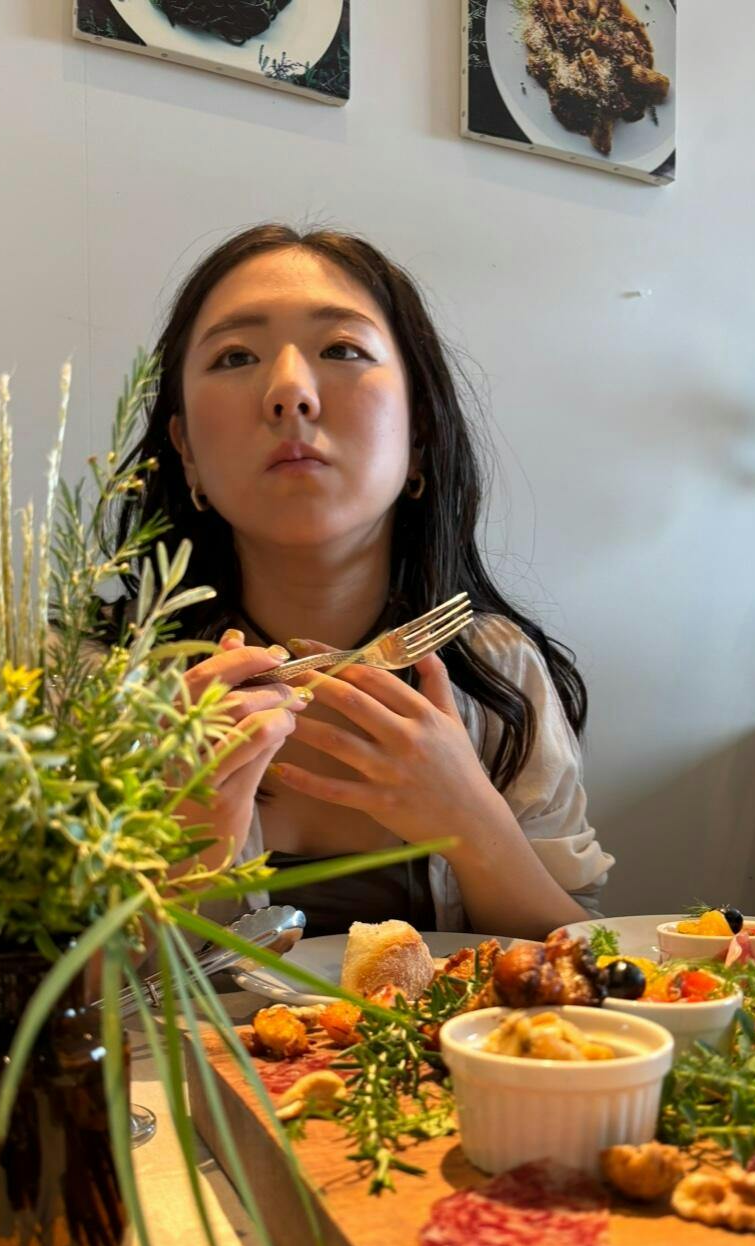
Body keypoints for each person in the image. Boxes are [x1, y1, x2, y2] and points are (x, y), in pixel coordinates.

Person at [114, 223, 613, 941]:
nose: (289, 391)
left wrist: (472, 823)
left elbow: (586, 966)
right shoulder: (96, 687)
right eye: (236, 356)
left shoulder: (497, 673)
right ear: (185, 449)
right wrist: (176, 853)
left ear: (419, 434)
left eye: (342, 349)